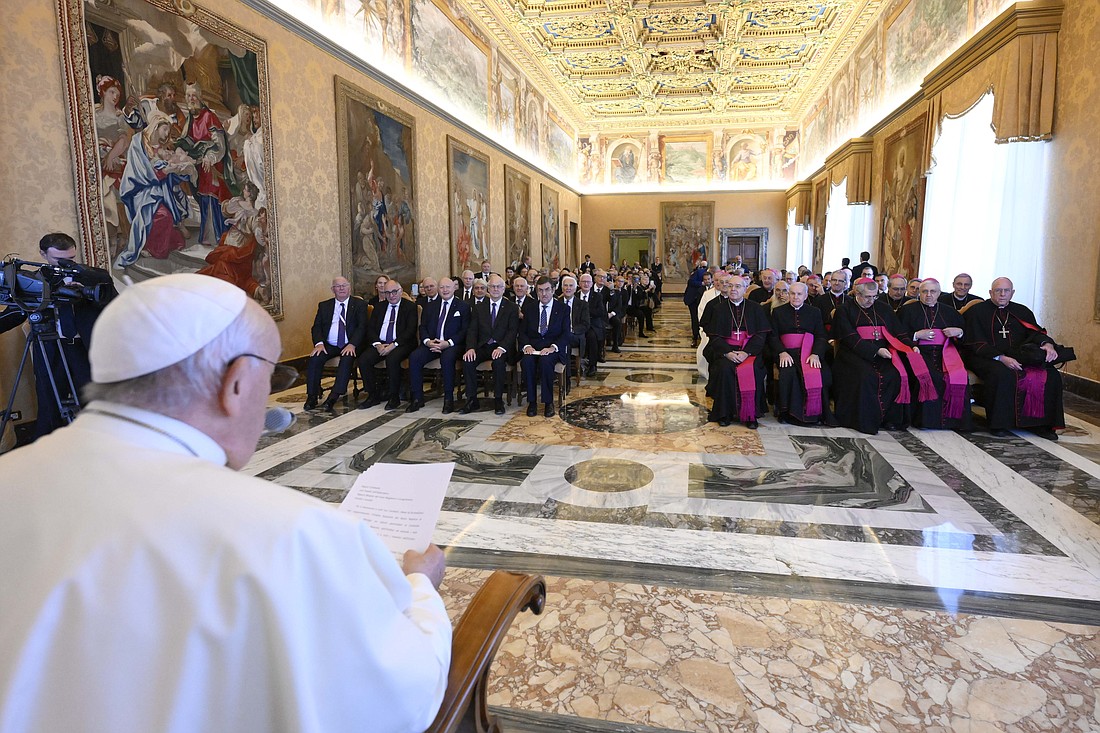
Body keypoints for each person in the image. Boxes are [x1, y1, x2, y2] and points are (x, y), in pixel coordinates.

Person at [0, 274, 450, 732]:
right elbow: (398, 698)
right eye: (274, 377)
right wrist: (421, 587)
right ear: (236, 384)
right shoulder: (293, 533)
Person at [0, 233, 118, 439]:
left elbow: (117, 307)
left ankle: (101, 443)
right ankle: (50, 448)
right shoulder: (33, 281)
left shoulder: (96, 276)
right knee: (49, 401)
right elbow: (15, 313)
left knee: (95, 401)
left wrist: (86, 297)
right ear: (43, 254)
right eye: (59, 259)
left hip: (85, 347)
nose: (67, 264)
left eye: (71, 258)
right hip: (50, 347)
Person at [963, 277, 1067, 440]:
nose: (1002, 294)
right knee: (1002, 374)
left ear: (1012, 293)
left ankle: (1041, 425)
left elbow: (1034, 333)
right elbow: (973, 342)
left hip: (1019, 355)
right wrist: (1001, 357)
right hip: (986, 357)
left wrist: (1047, 344)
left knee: (1051, 375)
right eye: (998, 290)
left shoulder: (1022, 311)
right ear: (991, 292)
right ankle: (1000, 424)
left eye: (1006, 291)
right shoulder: (977, 312)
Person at [832, 278, 931, 434]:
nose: (871, 300)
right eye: (867, 297)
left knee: (896, 375)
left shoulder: (884, 308)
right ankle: (862, 421)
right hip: (853, 354)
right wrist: (874, 351)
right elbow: (850, 338)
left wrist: (911, 346)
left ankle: (890, 420)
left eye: (874, 296)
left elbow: (898, 332)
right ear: (857, 293)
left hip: (883, 353)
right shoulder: (844, 310)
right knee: (866, 376)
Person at [115, 111, 193, 268]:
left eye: (168, 131)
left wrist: (177, 170)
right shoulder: (138, 142)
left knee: (170, 211)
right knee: (162, 216)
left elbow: (167, 169)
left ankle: (158, 244)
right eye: (165, 129)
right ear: (156, 127)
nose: (166, 134)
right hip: (140, 190)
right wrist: (165, 171)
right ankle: (151, 248)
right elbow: (140, 171)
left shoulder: (162, 147)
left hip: (157, 190)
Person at [898, 278, 972, 431]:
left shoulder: (949, 311)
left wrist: (959, 332)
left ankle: (955, 421)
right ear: (919, 293)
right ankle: (926, 421)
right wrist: (916, 336)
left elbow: (966, 335)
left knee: (959, 375)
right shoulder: (907, 311)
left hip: (946, 353)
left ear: (939, 293)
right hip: (918, 352)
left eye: (933, 291)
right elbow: (898, 334)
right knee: (930, 377)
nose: (929, 295)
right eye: (925, 291)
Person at [700, 276, 770, 428]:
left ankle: (750, 414)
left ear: (745, 289)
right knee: (724, 370)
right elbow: (714, 335)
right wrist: (727, 353)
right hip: (727, 352)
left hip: (749, 352)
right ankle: (724, 413)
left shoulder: (755, 308)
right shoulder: (718, 309)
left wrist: (747, 352)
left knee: (754, 370)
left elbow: (761, 334)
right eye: (730, 286)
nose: (733, 289)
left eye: (737, 286)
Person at [177, 83, 236, 245]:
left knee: (211, 197)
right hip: (198, 167)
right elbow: (187, 141)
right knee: (203, 198)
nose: (191, 99)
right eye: (188, 96)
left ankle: (218, 236)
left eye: (194, 96)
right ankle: (207, 236)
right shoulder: (190, 119)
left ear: (200, 97)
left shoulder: (209, 117)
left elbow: (219, 144)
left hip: (212, 166)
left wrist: (210, 156)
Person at [769, 282, 835, 426]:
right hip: (787, 353)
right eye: (792, 293)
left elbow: (821, 336)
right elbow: (772, 336)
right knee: (789, 372)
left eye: (799, 294)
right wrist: (781, 352)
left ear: (805, 296)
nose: (795, 297)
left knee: (822, 373)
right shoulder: (778, 312)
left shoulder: (814, 312)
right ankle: (787, 413)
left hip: (809, 352)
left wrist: (816, 354)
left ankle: (815, 412)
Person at [406, 276, 469, 414]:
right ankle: (417, 398)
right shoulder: (430, 306)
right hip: (432, 344)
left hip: (453, 345)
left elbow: (464, 330)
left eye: (448, 287)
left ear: (454, 288)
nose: (445, 290)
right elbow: (423, 327)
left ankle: (448, 399)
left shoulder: (463, 306)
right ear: (438, 289)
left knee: (447, 359)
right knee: (415, 357)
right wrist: (428, 341)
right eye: (442, 287)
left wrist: (448, 343)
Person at [304, 277, 368, 412]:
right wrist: (319, 344)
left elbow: (362, 327)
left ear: (349, 287)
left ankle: (334, 396)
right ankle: (312, 395)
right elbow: (317, 327)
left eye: (344, 285)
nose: (341, 288)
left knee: (347, 359)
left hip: (350, 344)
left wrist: (352, 344)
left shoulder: (359, 305)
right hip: (329, 344)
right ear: (332, 289)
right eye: (338, 286)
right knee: (315, 358)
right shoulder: (324, 305)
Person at [460, 275, 518, 415]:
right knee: (467, 360)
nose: (495, 289)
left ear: (504, 289)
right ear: (488, 289)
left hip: (501, 346)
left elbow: (512, 331)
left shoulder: (511, 307)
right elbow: (472, 330)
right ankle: (472, 399)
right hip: (483, 346)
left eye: (498, 287)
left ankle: (498, 399)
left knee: (498, 363)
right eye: (492, 286)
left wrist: (501, 347)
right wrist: (470, 348)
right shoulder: (479, 307)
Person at [357, 278, 418, 411]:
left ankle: (394, 397)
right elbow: (371, 329)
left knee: (392, 359)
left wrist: (393, 345)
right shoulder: (379, 307)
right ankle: (373, 395)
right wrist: (378, 345)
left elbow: (410, 331)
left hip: (402, 344)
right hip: (381, 344)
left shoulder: (410, 307)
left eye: (394, 291)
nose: (391, 295)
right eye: (388, 292)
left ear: (400, 291)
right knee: (364, 360)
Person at [519, 277, 569, 417]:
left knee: (546, 362)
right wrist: (527, 346)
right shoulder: (529, 308)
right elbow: (522, 332)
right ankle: (532, 402)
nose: (544, 294)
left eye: (547, 290)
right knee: (526, 362)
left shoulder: (563, 309)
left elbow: (565, 334)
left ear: (553, 290)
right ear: (536, 292)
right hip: (533, 348)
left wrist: (553, 347)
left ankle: (548, 403)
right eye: (540, 290)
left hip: (552, 348)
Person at [558, 275, 590, 378]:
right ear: (562, 288)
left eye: (571, 286)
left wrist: (571, 330)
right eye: (565, 285)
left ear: (575, 288)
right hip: (558, 334)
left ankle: (565, 376)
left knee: (566, 342)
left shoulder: (582, 304)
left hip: (575, 335)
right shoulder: (556, 303)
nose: (568, 288)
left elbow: (585, 324)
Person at [578, 273, 605, 375]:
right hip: (578, 324)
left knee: (592, 336)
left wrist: (585, 310)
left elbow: (600, 312)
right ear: (579, 283)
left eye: (588, 282)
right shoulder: (575, 295)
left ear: (591, 284)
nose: (586, 284)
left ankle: (593, 365)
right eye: (583, 282)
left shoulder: (597, 296)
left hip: (592, 324)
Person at [683, 260, 709, 346]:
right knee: (695, 319)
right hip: (694, 300)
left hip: (702, 300)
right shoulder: (699, 272)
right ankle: (695, 337)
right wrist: (701, 283)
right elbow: (691, 282)